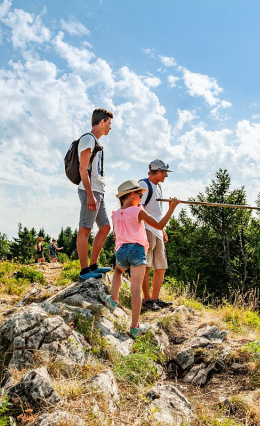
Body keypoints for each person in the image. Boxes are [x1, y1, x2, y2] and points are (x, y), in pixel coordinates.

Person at [100, 180, 179, 338]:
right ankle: (135, 327)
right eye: (139, 194)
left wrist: (120, 251)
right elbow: (159, 224)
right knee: (136, 289)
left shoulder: (116, 215)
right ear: (130, 195)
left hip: (121, 250)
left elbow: (116, 236)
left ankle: (113, 300)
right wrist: (171, 209)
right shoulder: (138, 211)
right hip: (137, 250)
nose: (141, 196)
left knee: (118, 271)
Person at [76, 108, 114, 281]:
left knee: (105, 227)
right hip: (89, 191)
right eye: (109, 123)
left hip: (98, 191)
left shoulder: (95, 142)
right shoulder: (87, 140)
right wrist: (90, 195)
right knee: (85, 229)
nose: (110, 127)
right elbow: (82, 168)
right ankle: (84, 272)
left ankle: (93, 265)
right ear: (101, 122)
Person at [139, 159, 174, 311]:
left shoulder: (158, 187)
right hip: (147, 230)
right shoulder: (143, 185)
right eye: (165, 172)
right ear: (158, 171)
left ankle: (154, 298)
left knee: (161, 267)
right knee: (146, 266)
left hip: (157, 231)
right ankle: (146, 300)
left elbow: (156, 211)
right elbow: (139, 210)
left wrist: (162, 230)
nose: (166, 175)